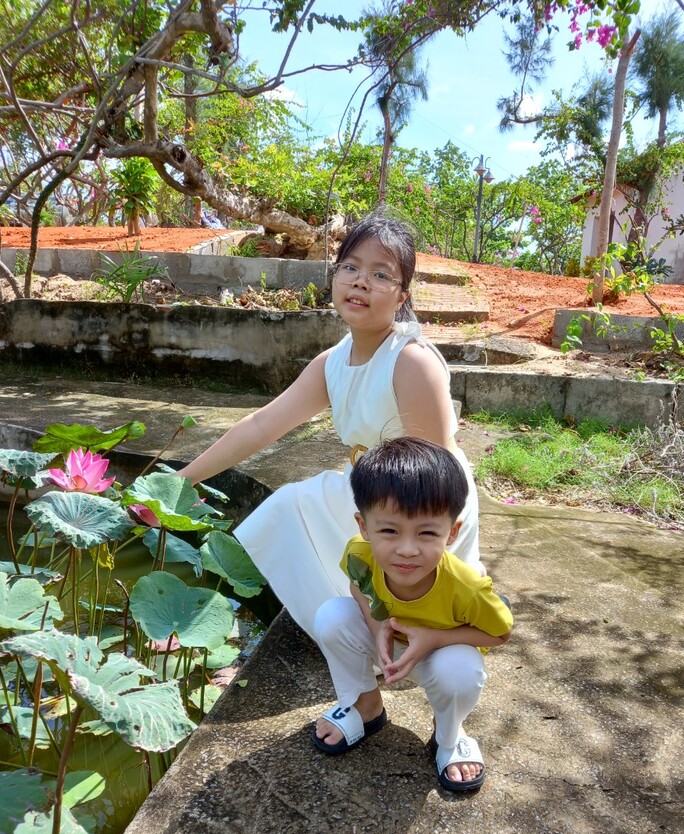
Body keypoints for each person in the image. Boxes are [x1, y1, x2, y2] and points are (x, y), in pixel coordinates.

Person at [178, 211, 482, 640]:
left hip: (425, 503)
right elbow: (263, 425)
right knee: (287, 510)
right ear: (335, 276)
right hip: (370, 492)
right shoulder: (333, 362)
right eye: (351, 268)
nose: (360, 282)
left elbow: (439, 468)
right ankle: (350, 630)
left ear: (401, 296)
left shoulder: (411, 361)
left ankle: (395, 620)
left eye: (380, 275)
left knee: (294, 505)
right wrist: (184, 480)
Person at [312, 437, 512, 793]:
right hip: (389, 644)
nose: (406, 549)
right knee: (332, 616)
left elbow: (500, 633)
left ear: (451, 533)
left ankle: (449, 734)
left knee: (461, 670)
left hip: (442, 654)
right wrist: (377, 629)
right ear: (363, 526)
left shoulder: (465, 586)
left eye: (426, 533)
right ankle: (365, 706)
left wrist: (435, 638)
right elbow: (358, 586)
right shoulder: (360, 554)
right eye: (388, 530)